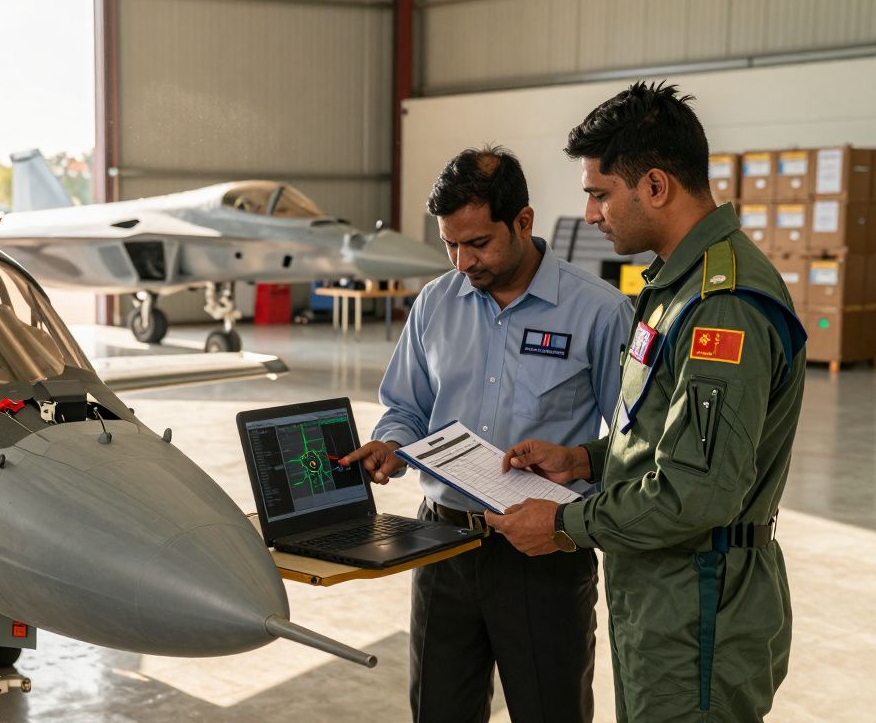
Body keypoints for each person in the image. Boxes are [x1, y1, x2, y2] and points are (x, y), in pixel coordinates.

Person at [487, 82, 806, 722]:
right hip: (662, 595)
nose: (592, 215)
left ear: (655, 186)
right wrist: (583, 460)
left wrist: (559, 525)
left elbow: (698, 491)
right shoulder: (675, 286)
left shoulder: (723, 306)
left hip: (700, 606)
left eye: (601, 194)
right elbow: (670, 432)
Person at [341, 146, 634, 722]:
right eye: (449, 243)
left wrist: (577, 461)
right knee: (439, 710)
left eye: (477, 243)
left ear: (523, 221)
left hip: (545, 552)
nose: (461, 262)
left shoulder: (597, 312)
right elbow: (405, 405)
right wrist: (392, 446)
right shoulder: (435, 303)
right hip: (443, 546)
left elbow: (634, 442)